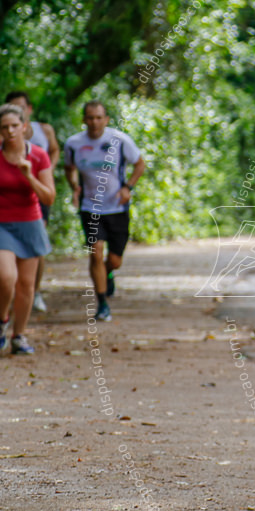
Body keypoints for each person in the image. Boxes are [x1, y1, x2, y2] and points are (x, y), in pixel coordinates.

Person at [64, 101, 146, 322]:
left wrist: (128, 187)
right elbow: (69, 168)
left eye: (99, 117)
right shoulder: (74, 143)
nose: (94, 122)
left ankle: (108, 272)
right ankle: (102, 304)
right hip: (90, 207)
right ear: (84, 120)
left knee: (115, 260)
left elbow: (140, 164)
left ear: (106, 119)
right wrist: (74, 187)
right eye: (90, 118)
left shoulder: (119, 140)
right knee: (96, 252)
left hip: (117, 207)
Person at [0, 103, 56, 354]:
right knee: (6, 277)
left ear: (24, 127)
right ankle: (2, 320)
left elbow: (49, 198)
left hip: (29, 223)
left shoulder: (38, 156)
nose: (10, 131)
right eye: (4, 127)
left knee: (26, 285)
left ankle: (19, 336)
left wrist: (29, 176)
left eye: (14, 126)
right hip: (2, 224)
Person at [5, 91, 60, 313]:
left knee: (34, 248)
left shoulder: (43, 132)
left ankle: (34, 292)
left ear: (27, 114)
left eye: (20, 106)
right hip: (6, 209)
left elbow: (54, 150)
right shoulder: (4, 136)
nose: (10, 130)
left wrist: (43, 172)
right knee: (7, 271)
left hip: (34, 197)